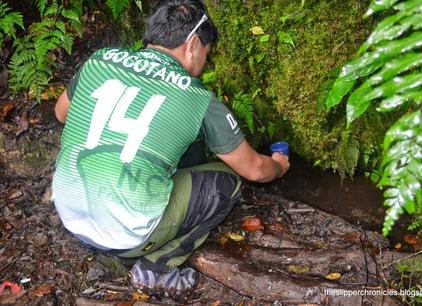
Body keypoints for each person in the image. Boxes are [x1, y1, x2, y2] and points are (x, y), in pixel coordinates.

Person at [52, 0, 289, 295]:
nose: (205, 62)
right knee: (227, 182)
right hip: (125, 237)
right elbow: (255, 169)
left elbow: (62, 113)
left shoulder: (100, 60)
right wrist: (278, 165)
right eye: (206, 52)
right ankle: (157, 266)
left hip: (70, 213)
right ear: (192, 44)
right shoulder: (197, 98)